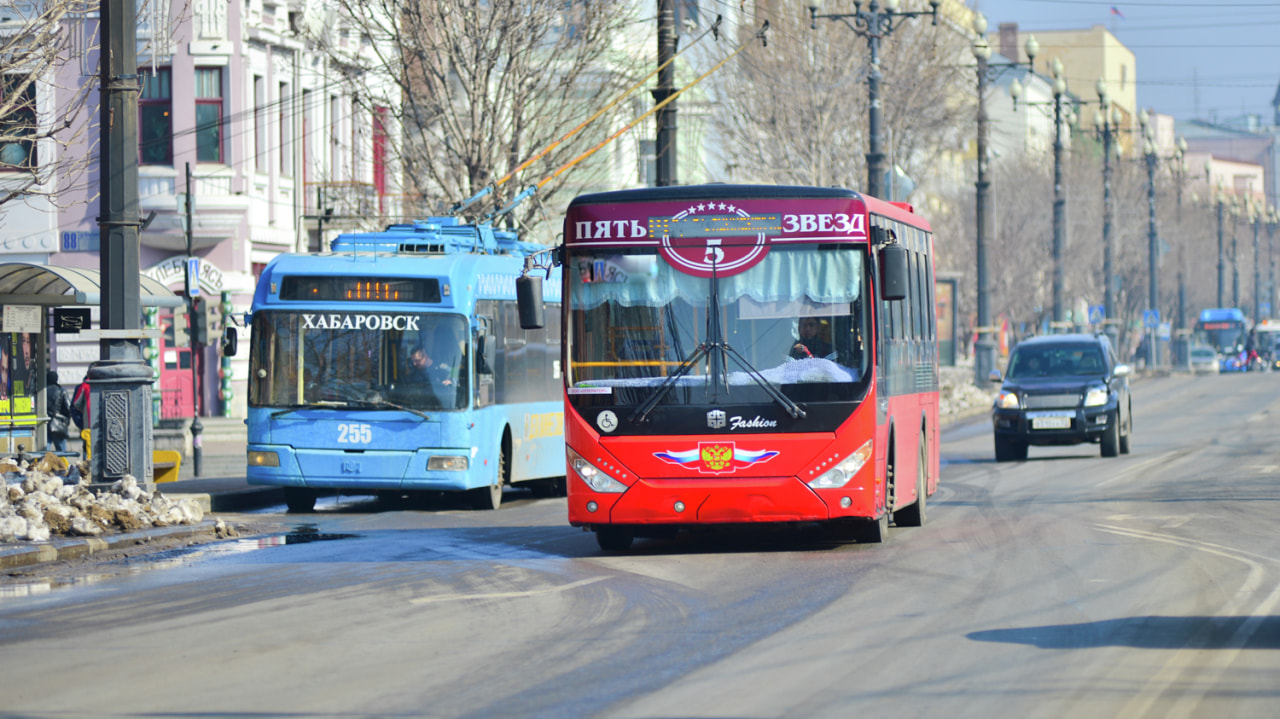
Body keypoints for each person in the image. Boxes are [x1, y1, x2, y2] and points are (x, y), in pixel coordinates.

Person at [44, 371, 73, 452]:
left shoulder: (42, 392)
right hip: (58, 424)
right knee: (62, 451)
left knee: (45, 451)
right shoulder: (62, 391)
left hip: (44, 423)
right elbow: (68, 407)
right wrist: (66, 420)